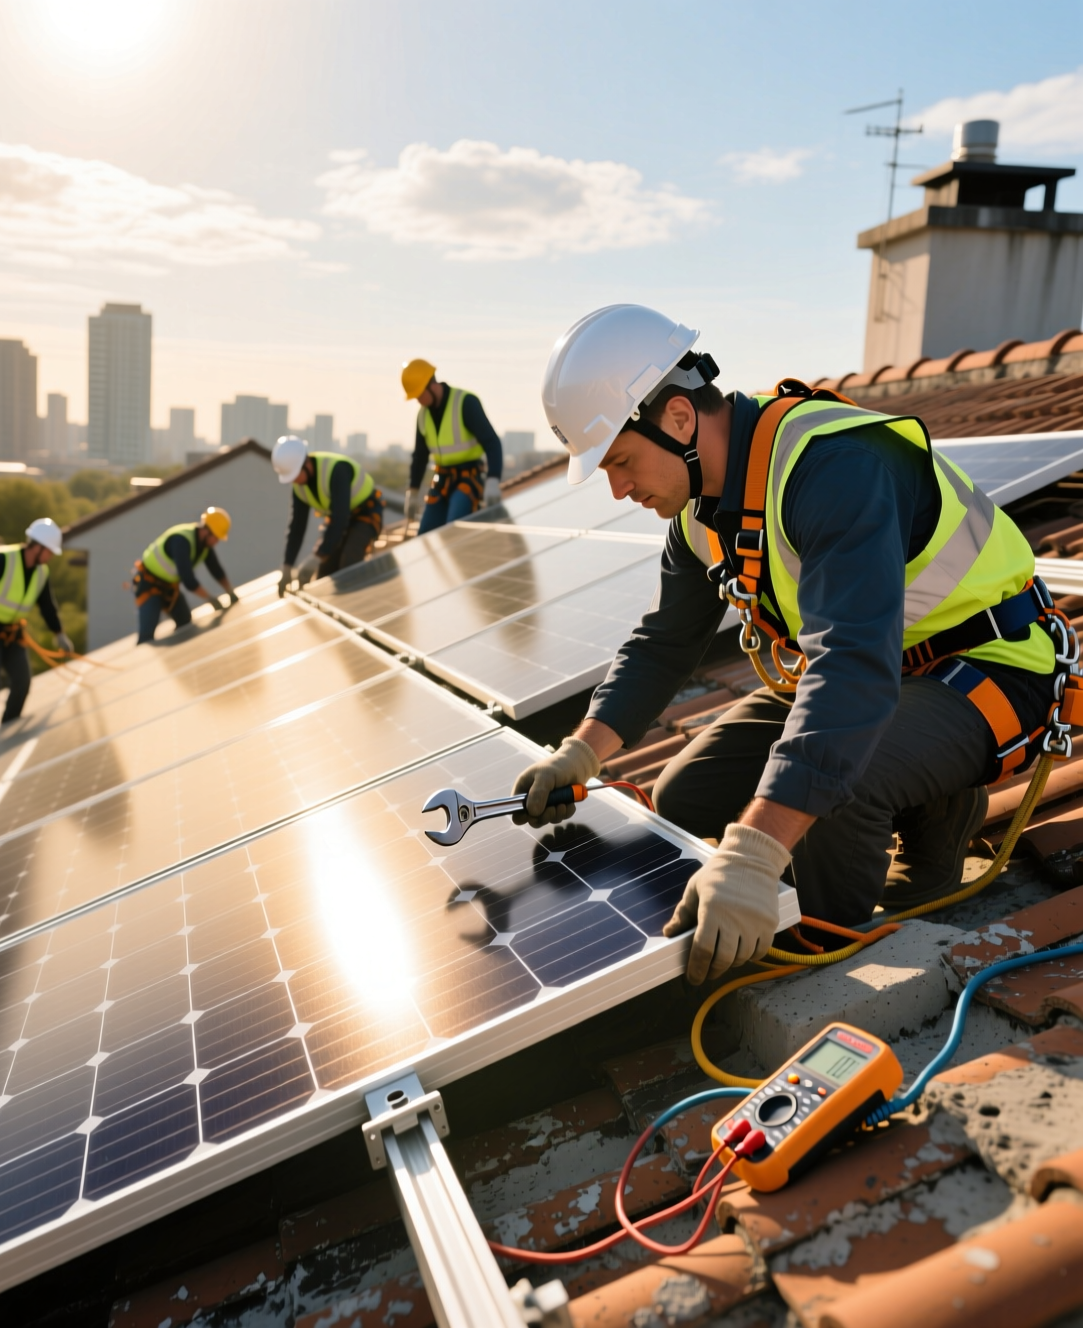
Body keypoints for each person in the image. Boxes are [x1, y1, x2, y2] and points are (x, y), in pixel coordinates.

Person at [513, 303, 1065, 985]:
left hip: (989, 668)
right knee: (684, 796)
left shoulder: (834, 466)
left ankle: (846, 928)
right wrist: (581, 752)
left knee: (837, 786)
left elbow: (849, 666)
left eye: (621, 461)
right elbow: (663, 644)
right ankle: (913, 790)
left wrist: (755, 852)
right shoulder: (697, 516)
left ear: (679, 418)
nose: (619, 488)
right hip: (885, 676)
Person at [0, 517, 72, 738]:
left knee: (22, 682)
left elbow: (47, 606)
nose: (50, 557)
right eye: (49, 551)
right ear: (37, 547)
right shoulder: (3, 561)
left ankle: (8, 727)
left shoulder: (41, 573)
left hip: (12, 634)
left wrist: (59, 633)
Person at [400, 358, 504, 533]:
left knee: (453, 530)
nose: (418, 400)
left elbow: (491, 442)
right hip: (442, 479)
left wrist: (493, 479)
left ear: (431, 385)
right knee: (425, 533)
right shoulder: (423, 415)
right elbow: (420, 456)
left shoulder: (465, 403)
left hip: (468, 478)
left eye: (419, 395)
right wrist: (413, 490)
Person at [272, 436, 385, 594]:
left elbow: (340, 518)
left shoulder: (337, 469)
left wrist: (317, 557)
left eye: (295, 475)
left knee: (349, 561)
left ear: (306, 464)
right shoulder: (299, 486)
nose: (294, 481)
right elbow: (297, 527)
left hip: (366, 513)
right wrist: (287, 566)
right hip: (337, 519)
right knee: (325, 570)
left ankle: (356, 600)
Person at [134, 508, 237, 644]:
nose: (216, 542)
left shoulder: (204, 546)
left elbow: (216, 570)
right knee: (147, 636)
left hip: (169, 587)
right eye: (216, 537)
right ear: (206, 531)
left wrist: (230, 591)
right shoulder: (181, 541)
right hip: (149, 585)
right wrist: (211, 600)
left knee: (185, 622)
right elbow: (189, 581)